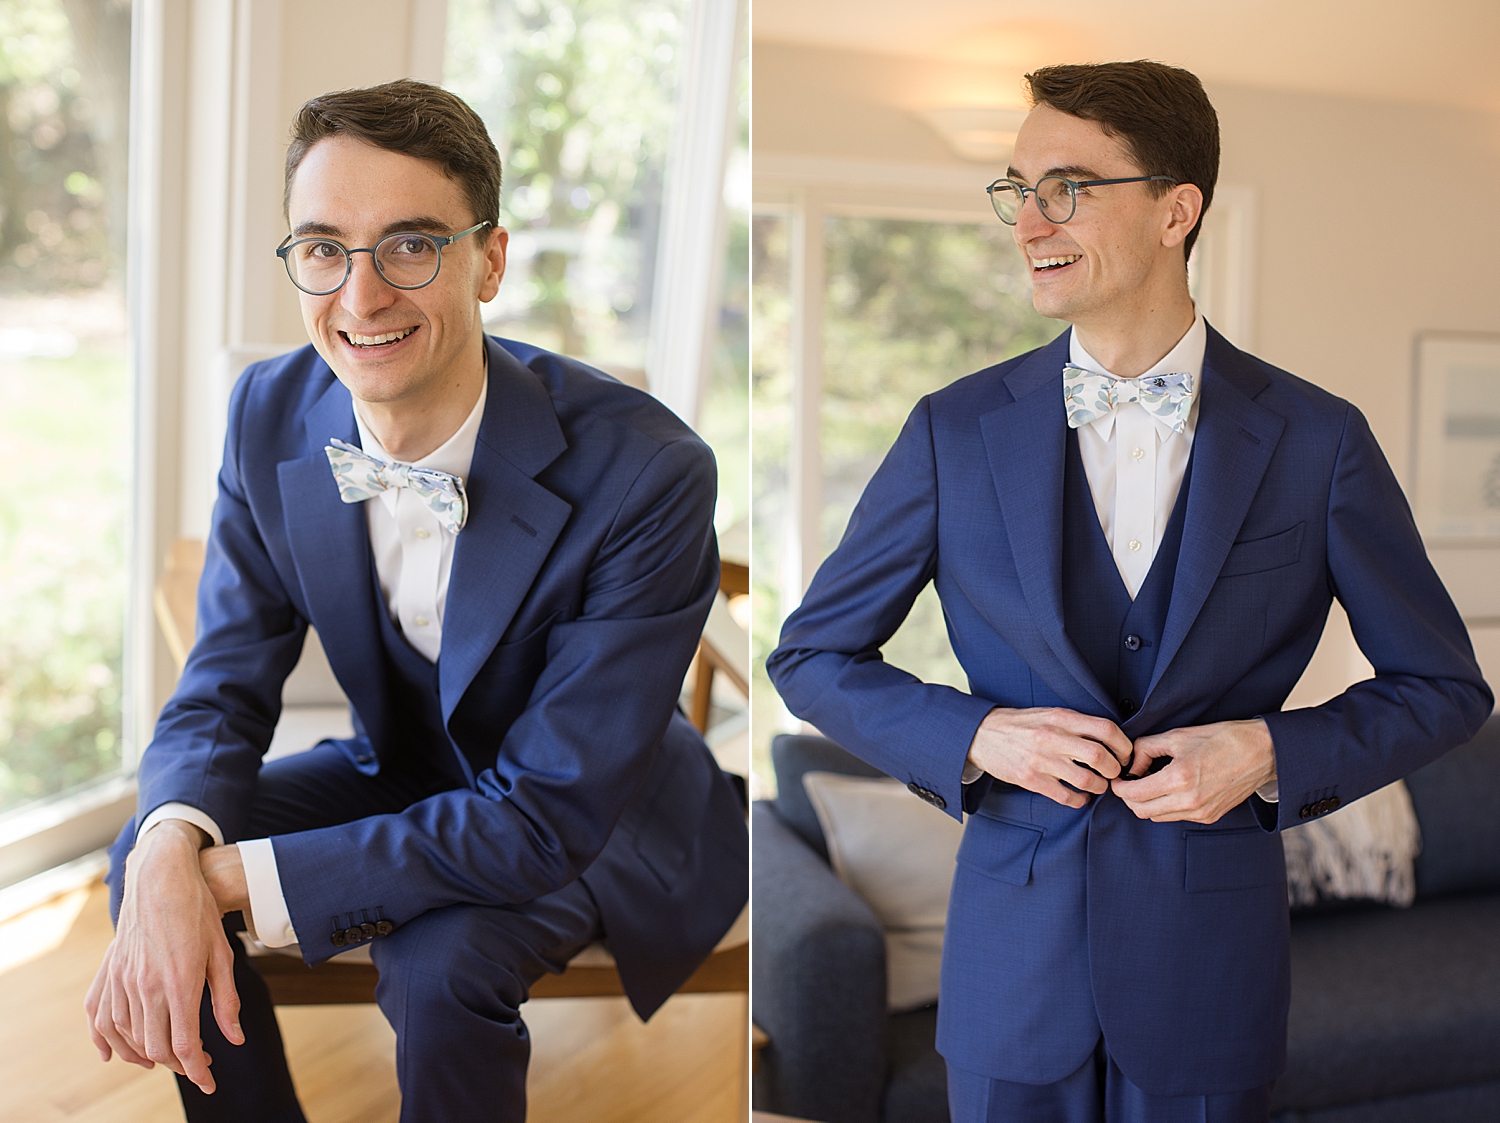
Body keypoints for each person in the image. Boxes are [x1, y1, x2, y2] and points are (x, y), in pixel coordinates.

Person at [767, 60, 1491, 1122]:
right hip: (1010, 973)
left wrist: (1267, 752)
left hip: (1211, 974)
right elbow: (810, 657)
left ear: (1175, 208)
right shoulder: (951, 431)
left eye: (1067, 186)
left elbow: (1443, 684)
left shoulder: (1319, 441)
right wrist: (982, 737)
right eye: (1018, 189)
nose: (1028, 222)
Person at [85, 79, 747, 1123]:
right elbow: (220, 687)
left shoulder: (649, 469)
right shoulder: (268, 412)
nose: (359, 296)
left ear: (489, 258)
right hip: (400, 768)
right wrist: (178, 853)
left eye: (411, 245)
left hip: (596, 815)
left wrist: (227, 884)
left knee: (439, 969)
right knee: (149, 851)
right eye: (322, 247)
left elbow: (545, 812)